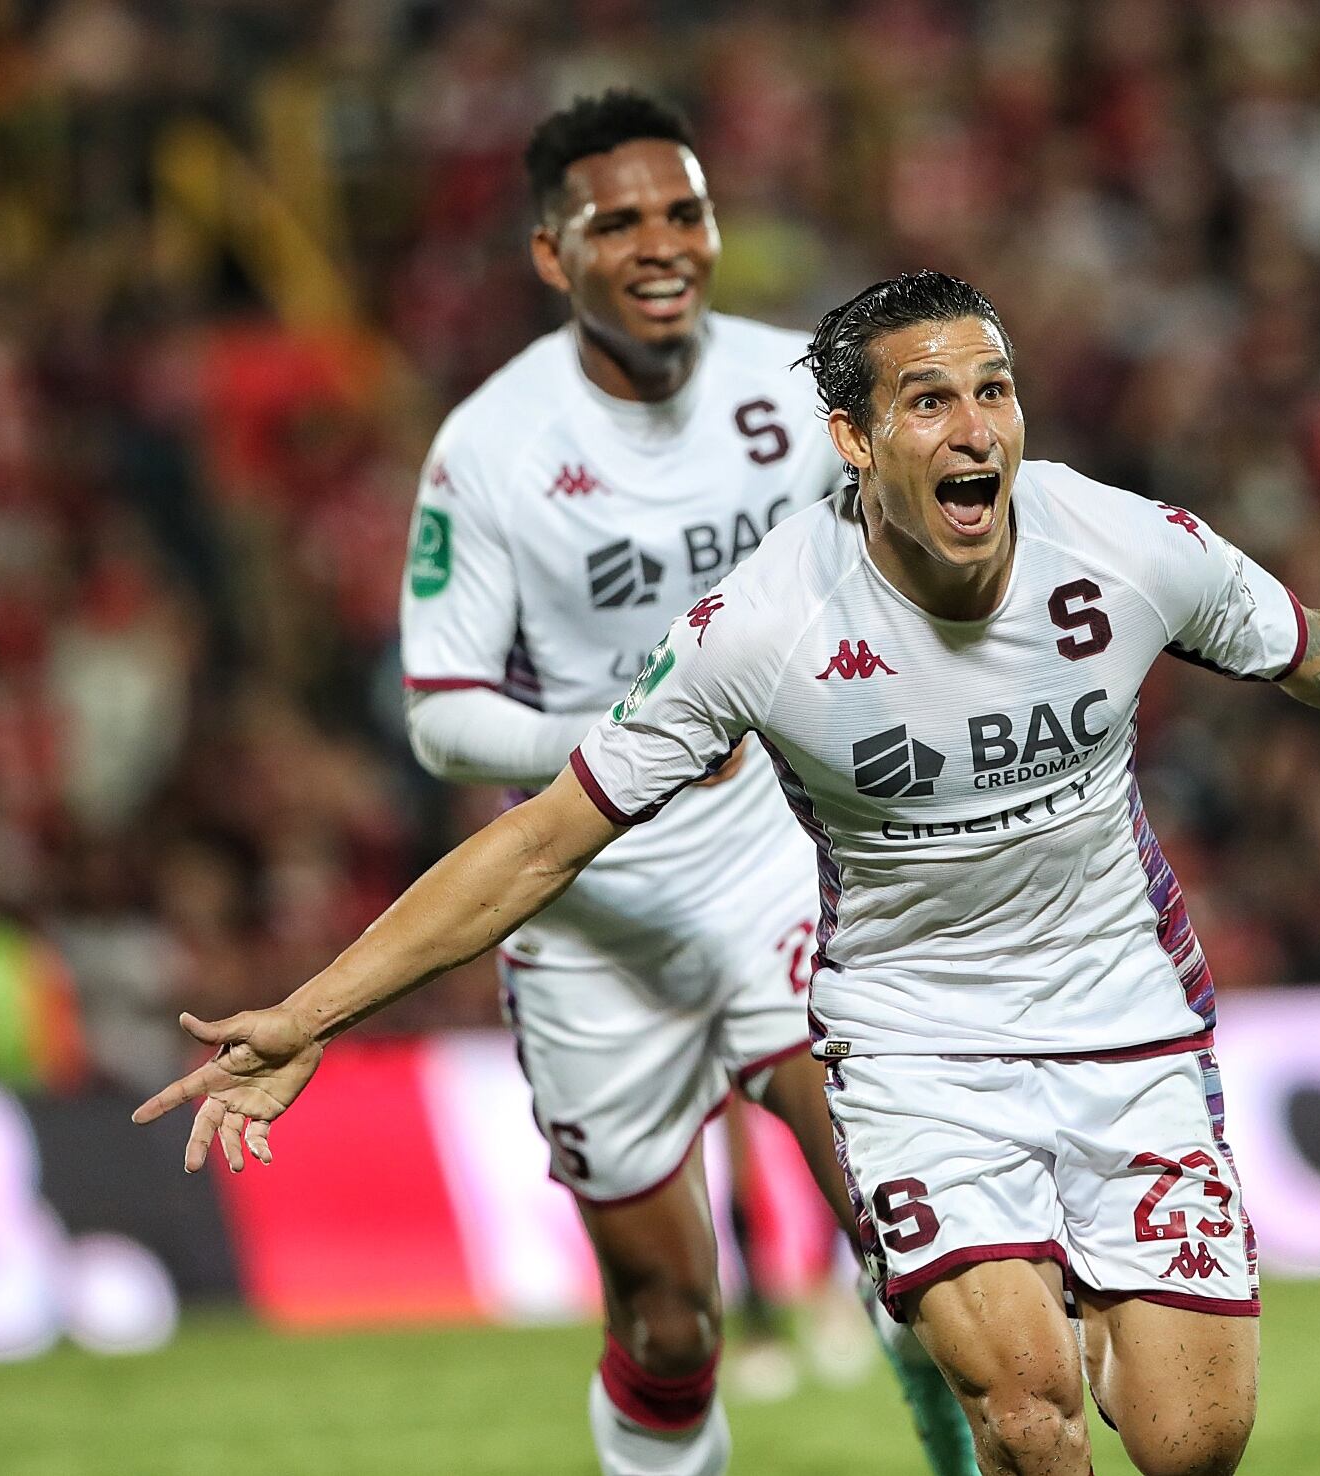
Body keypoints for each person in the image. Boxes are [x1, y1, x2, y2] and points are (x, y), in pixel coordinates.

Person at [136, 270, 1320, 1476]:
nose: (977, 432)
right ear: (855, 438)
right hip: (911, 1048)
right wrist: (314, 1015)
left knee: (1188, 1444)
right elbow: (543, 836)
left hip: (1127, 1024)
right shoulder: (758, 626)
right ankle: (1020, 1317)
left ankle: (1089, 1295)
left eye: (996, 392)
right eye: (932, 402)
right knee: (1027, 1427)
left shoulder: (1127, 542)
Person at [391, 92, 973, 1476]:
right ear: (553, 256)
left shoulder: (799, 387)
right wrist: (617, 737)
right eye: (619, 222)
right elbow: (441, 716)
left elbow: (910, 577)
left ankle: (960, 1449)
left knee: (910, 1233)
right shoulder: (491, 449)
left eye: (684, 212)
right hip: (590, 910)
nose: (662, 244)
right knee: (666, 1329)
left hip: (777, 858)